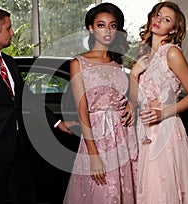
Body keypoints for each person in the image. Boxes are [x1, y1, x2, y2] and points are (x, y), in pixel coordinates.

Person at [0, 8, 72, 204]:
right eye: (9, 28)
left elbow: (27, 98)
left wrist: (57, 122)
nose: (13, 32)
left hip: (18, 151)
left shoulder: (8, 62)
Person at [63, 3, 138, 204]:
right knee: (103, 195)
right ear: (91, 28)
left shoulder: (119, 63)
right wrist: (93, 155)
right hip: (97, 138)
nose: (107, 30)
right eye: (101, 25)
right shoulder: (78, 63)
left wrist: (132, 102)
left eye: (113, 26)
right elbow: (82, 110)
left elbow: (133, 93)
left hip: (124, 135)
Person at [130, 1, 188, 203]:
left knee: (164, 190)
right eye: (158, 15)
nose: (159, 20)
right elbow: (134, 101)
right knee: (150, 190)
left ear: (173, 29)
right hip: (145, 130)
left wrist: (164, 113)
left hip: (165, 128)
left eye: (166, 19)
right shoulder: (145, 55)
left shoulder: (172, 53)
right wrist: (134, 73)